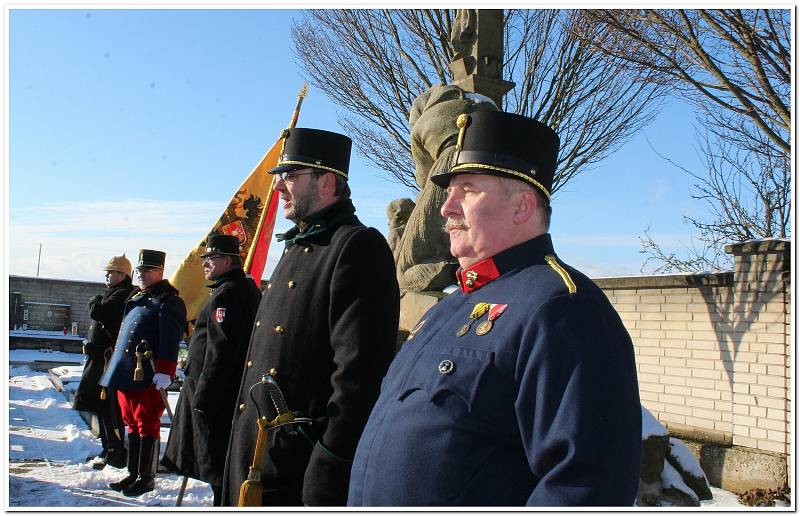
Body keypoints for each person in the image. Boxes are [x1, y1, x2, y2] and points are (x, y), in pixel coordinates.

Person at [347, 110, 642, 506]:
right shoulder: (450, 306)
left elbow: (586, 482)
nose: (445, 208)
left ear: (521, 206)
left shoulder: (562, 306)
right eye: (449, 191)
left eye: (466, 189)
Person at [221, 128, 400, 507]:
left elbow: (358, 375)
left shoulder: (356, 246)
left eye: (290, 176)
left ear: (327, 181)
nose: (278, 188)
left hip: (296, 465)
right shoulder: (298, 245)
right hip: (257, 451)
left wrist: (329, 461)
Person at [162, 234, 262, 505]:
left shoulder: (226, 295)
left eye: (211, 258)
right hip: (228, 392)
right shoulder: (241, 289)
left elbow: (221, 352)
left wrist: (204, 397)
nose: (205, 264)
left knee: (217, 466)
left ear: (228, 261)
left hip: (216, 395)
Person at [99, 249, 186, 497]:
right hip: (127, 371)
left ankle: (146, 477)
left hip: (148, 373)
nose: (142, 275)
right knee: (131, 423)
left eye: (147, 271)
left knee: (147, 424)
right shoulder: (137, 298)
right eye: (140, 271)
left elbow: (171, 338)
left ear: (160, 272)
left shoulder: (169, 302)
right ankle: (133, 473)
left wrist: (165, 370)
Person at [73, 254, 135, 470]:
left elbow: (98, 311)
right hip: (100, 360)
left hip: (108, 363)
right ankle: (108, 447)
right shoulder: (114, 293)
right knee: (101, 408)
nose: (107, 276)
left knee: (110, 409)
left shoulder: (122, 295)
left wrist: (94, 299)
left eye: (111, 272)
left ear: (122, 274)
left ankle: (116, 451)